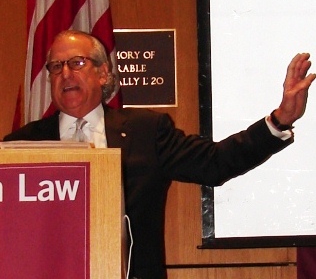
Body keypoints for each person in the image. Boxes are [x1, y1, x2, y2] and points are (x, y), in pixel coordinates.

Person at [4, 30, 316, 279]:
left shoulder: (145, 131)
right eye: (56, 67)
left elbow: (216, 163)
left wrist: (280, 120)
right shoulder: (20, 144)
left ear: (102, 73)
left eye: (77, 63)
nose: (66, 73)